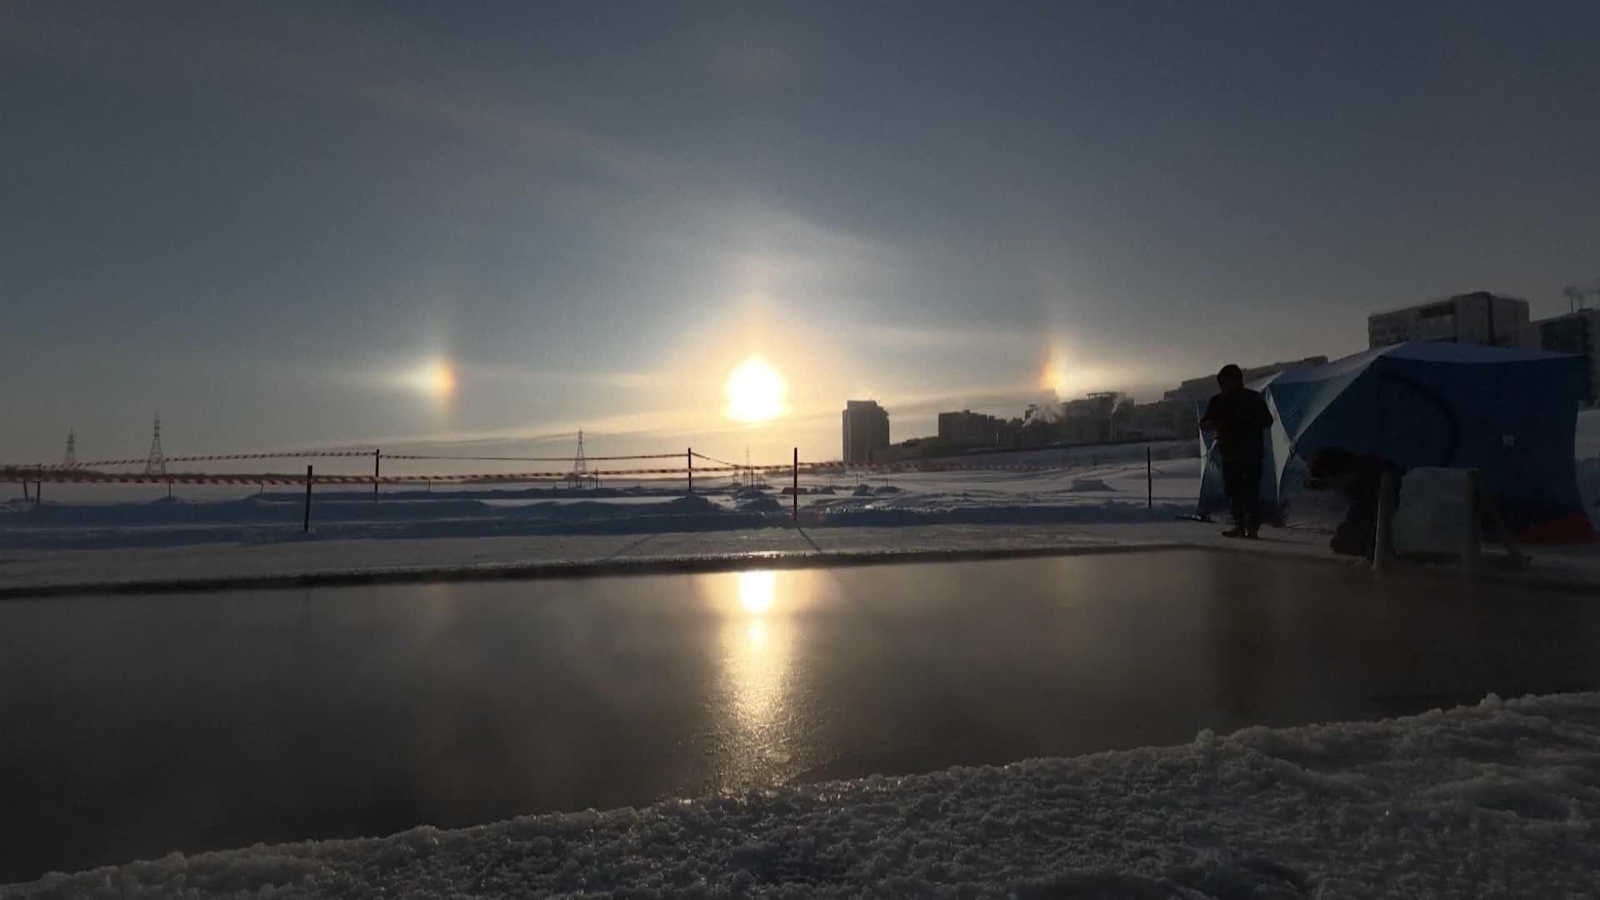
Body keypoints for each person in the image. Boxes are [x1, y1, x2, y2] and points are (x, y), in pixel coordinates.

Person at [1200, 364, 1274, 538]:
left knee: (1249, 491)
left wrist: (1245, 422)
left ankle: (1251, 527)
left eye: (1227, 381)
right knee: (1235, 491)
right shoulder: (1219, 401)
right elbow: (1204, 423)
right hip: (1232, 453)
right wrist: (1215, 424)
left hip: (1249, 453)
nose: (1225, 385)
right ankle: (1241, 526)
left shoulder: (1252, 399)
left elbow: (1267, 421)